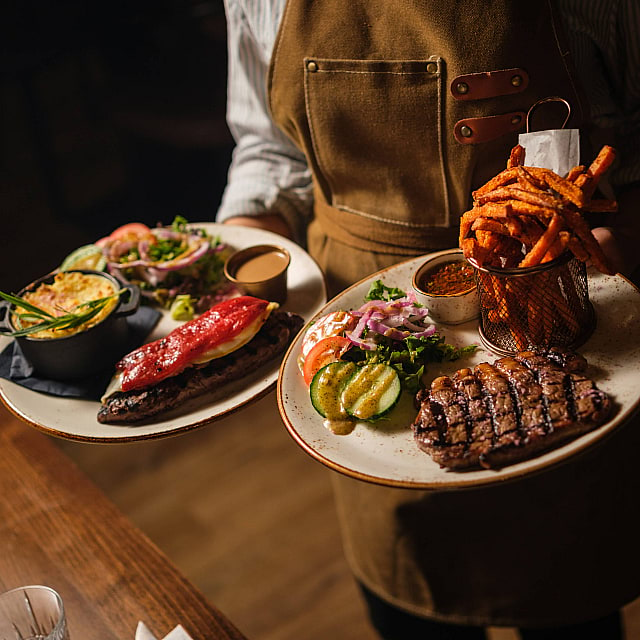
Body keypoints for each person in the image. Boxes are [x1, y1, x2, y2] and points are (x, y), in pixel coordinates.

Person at [217, 1, 640, 638]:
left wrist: (621, 238)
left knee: (569, 611)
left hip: (557, 314)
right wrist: (235, 263)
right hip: (366, 349)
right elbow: (269, 151)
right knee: (412, 608)